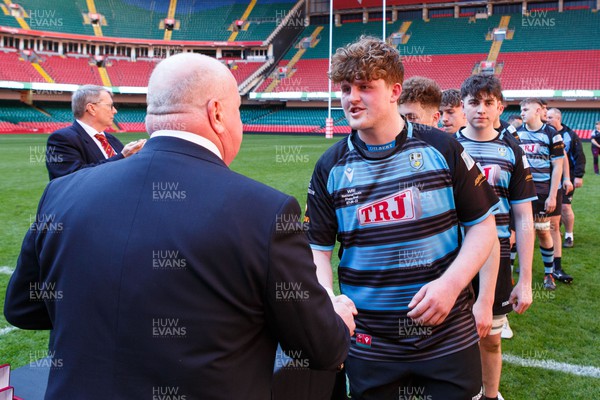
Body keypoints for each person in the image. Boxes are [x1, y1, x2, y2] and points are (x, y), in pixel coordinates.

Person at [4, 53, 355, 400]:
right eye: (238, 114)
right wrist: (336, 317)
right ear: (217, 113)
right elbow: (321, 348)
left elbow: (23, 307)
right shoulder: (265, 211)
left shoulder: (63, 192)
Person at [305, 36, 499, 400]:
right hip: (371, 344)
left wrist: (451, 285)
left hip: (447, 335)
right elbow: (317, 250)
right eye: (345, 88)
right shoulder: (330, 167)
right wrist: (328, 297)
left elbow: (483, 226)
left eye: (365, 87)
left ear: (395, 91)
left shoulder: (442, 148)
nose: (352, 98)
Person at [456, 74, 536, 400]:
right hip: (452, 255)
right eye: (474, 102)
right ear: (462, 106)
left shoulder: (512, 152)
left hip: (497, 255)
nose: (481, 109)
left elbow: (524, 218)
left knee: (490, 337)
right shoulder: (448, 147)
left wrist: (526, 279)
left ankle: (490, 395)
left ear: (500, 106)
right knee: (450, 337)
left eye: (489, 103)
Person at [45, 84, 145, 180]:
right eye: (110, 106)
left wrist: (138, 156)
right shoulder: (61, 139)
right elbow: (73, 178)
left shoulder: (111, 139)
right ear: (92, 108)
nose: (115, 111)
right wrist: (122, 156)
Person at [517, 98, 565, 290]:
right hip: (521, 192)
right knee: (516, 232)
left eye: (526, 109)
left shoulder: (552, 134)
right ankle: (513, 275)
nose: (522, 113)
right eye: (521, 109)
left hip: (542, 191)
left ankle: (549, 273)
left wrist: (553, 195)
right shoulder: (516, 134)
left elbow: (558, 166)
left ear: (538, 111)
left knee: (543, 231)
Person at [547, 108, 586, 249]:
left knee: (565, 206)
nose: (547, 119)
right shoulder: (545, 132)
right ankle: (553, 232)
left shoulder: (570, 135)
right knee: (550, 208)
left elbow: (579, 156)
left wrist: (578, 176)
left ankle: (569, 235)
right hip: (548, 177)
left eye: (550, 117)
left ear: (558, 118)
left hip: (566, 178)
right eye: (546, 116)